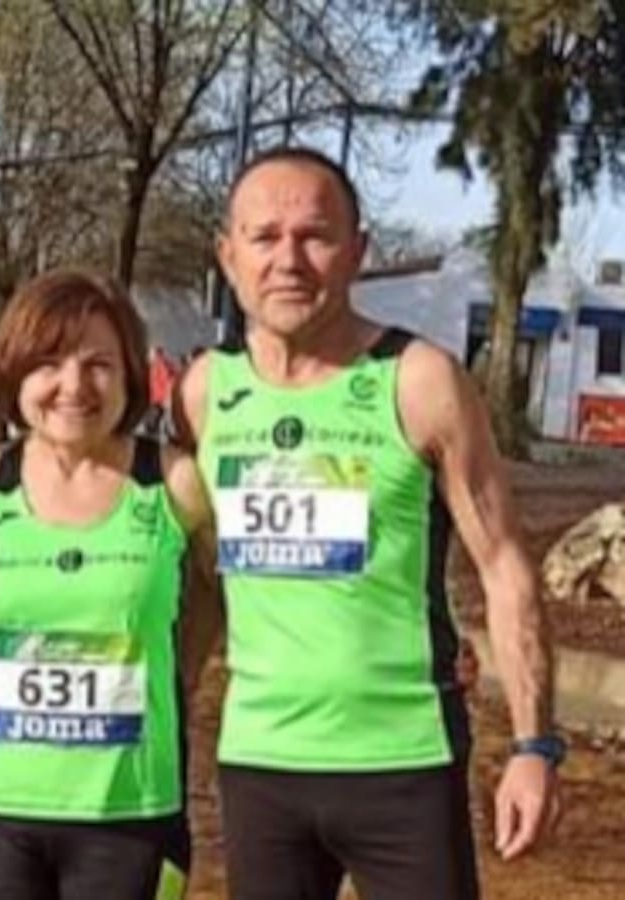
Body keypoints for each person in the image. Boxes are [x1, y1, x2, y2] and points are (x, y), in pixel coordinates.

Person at [173, 146, 562, 900]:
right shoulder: (203, 391)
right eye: (264, 237)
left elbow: (505, 565)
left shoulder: (420, 381)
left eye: (314, 236)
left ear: (357, 252)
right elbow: (205, 577)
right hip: (260, 764)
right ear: (227, 255)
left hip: (403, 761)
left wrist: (534, 746)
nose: (289, 260)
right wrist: (168, 710)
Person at [0, 269, 221, 899]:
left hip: (131, 812)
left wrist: (179, 673)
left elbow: (220, 594)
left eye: (98, 364)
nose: (73, 386)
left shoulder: (178, 485)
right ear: (14, 373)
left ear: (130, 374)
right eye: (48, 363)